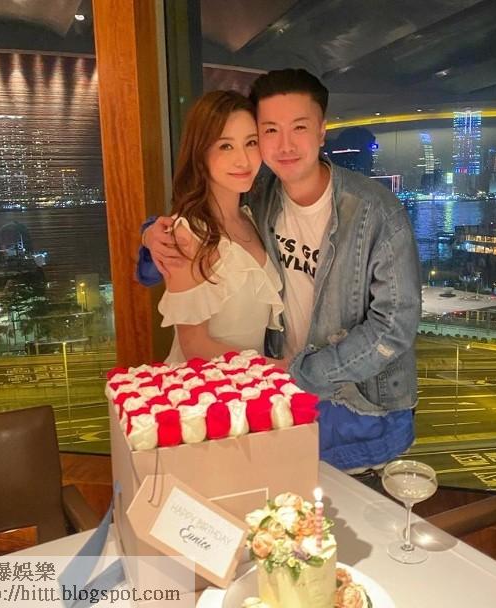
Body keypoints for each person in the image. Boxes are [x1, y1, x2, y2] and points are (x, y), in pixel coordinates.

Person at [139, 69, 422, 473]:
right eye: (270, 130)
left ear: (322, 131)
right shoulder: (261, 199)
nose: (284, 145)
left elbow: (393, 327)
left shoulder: (375, 212)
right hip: (260, 403)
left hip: (351, 408)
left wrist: (294, 374)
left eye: (299, 128)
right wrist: (153, 232)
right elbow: (197, 229)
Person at [152, 89, 285, 365]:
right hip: (204, 385)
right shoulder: (188, 234)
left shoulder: (252, 218)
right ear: (200, 152)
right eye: (226, 146)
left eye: (251, 143)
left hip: (251, 383)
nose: (243, 160)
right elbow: (194, 345)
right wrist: (281, 368)